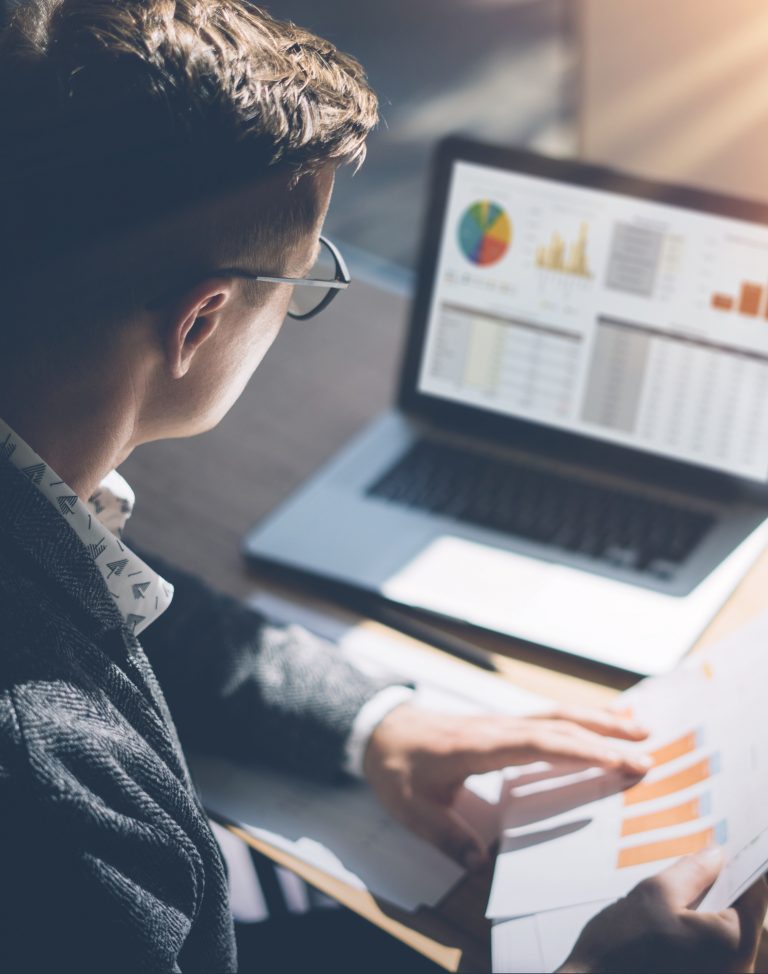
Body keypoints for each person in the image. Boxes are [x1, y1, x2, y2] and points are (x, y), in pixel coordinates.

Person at [0, 2, 764, 971]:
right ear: (200, 324)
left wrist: (375, 722)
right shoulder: (54, 793)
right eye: (302, 279)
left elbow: (103, 594)